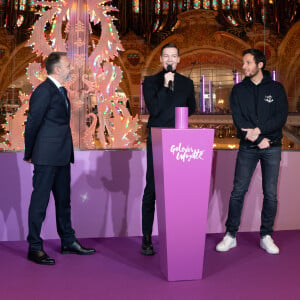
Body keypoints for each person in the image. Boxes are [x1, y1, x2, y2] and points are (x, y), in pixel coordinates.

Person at [24, 52, 95, 265]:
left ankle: (68, 241)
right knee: (40, 202)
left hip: (62, 156)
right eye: (67, 66)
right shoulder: (43, 91)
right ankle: (35, 247)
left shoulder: (61, 91)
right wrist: (30, 152)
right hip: (45, 157)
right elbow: (32, 123)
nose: (71, 69)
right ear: (56, 69)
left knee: (64, 202)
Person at [216, 48, 288, 254]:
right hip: (248, 147)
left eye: (248, 62)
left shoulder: (276, 89)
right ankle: (230, 235)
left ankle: (266, 235)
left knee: (271, 194)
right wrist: (258, 138)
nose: (244, 66)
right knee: (238, 191)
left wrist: (261, 133)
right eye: (243, 62)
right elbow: (238, 120)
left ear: (260, 65)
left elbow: (280, 117)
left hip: (272, 147)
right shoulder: (238, 90)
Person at [141, 43, 196, 255]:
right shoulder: (151, 82)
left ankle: (178, 236)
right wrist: (165, 87)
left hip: (180, 140)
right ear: (161, 60)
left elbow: (191, 107)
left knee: (178, 189)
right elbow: (154, 109)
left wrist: (176, 118)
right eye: (166, 56)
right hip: (157, 138)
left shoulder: (187, 83)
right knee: (153, 187)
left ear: (179, 59)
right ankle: (146, 237)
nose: (170, 59)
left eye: (174, 56)